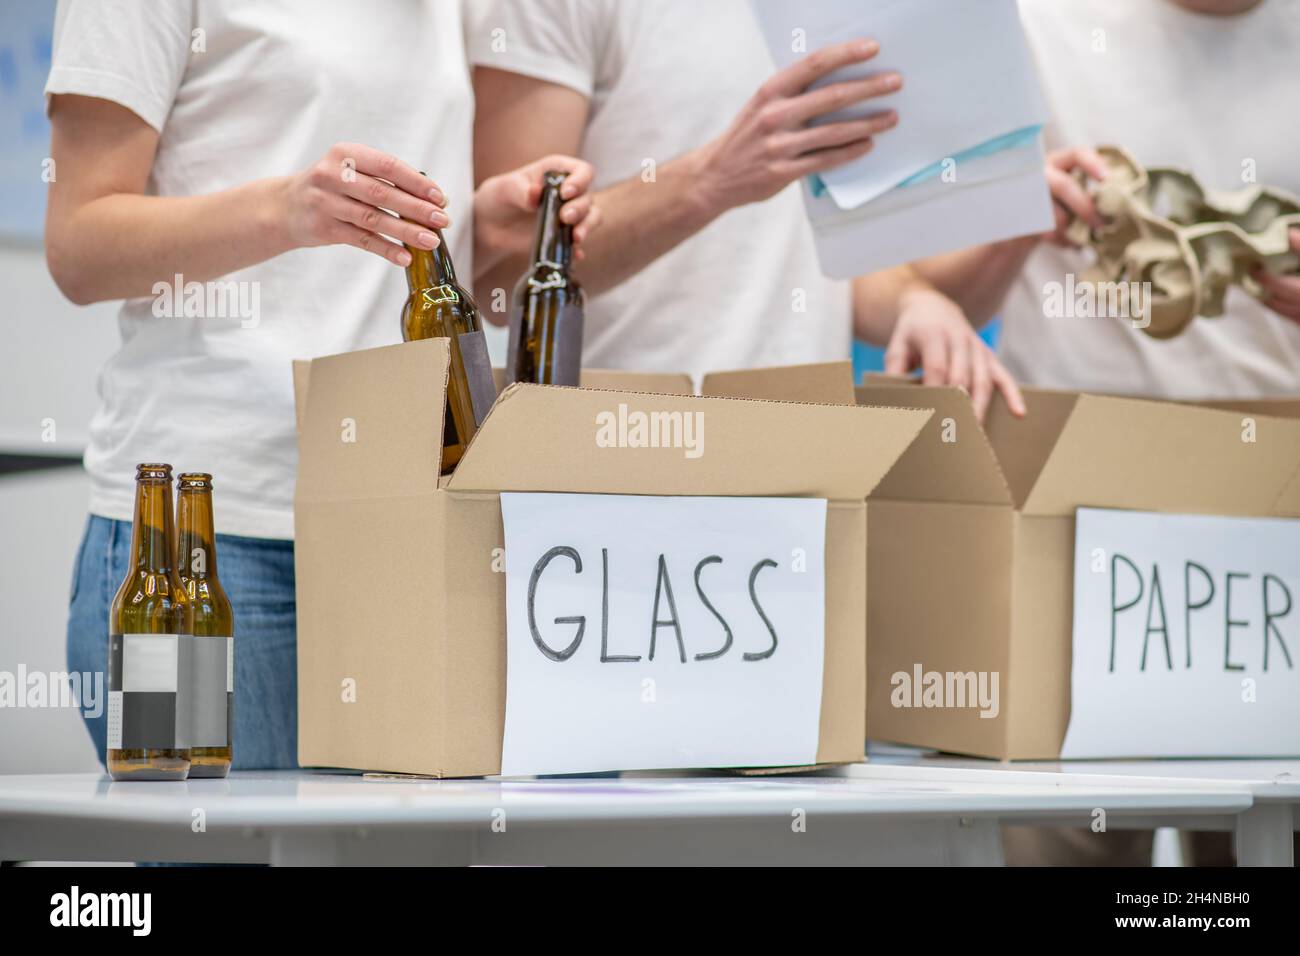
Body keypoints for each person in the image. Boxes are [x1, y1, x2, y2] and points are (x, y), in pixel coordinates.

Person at [45, 0, 597, 771]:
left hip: (394, 527)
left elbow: (373, 259)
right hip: (210, 543)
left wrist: (479, 225)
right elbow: (78, 247)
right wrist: (283, 209)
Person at [907, 0, 1300, 865]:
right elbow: (930, 293)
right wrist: (1011, 218)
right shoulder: (1035, 28)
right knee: (1061, 840)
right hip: (1069, 509)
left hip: (1276, 518)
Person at [468, 0, 1025, 420]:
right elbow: (503, 272)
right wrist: (711, 179)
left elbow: (813, 256)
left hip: (805, 464)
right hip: (611, 460)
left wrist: (913, 299)